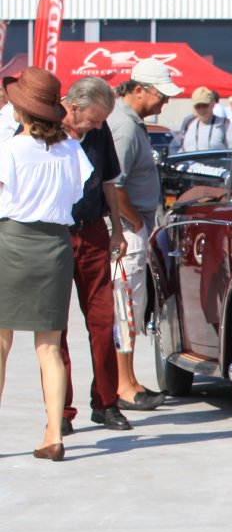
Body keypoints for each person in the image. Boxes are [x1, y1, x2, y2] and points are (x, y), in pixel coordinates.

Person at [0, 67, 93, 460]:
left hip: (12, 242)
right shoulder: (72, 150)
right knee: (50, 348)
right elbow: (76, 195)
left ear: (21, 110)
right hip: (56, 245)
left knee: (1, 343)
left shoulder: (9, 149)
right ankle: (54, 434)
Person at [59, 76, 132, 433]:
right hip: (54, 236)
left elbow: (108, 182)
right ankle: (60, 410)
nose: (100, 126)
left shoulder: (99, 133)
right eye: (94, 119)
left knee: (103, 321)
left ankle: (106, 402)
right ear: (73, 108)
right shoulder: (46, 130)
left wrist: (117, 228)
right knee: (54, 328)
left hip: (92, 233)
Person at [107, 58, 177, 411]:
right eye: (161, 95)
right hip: (127, 232)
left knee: (131, 309)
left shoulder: (129, 123)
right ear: (138, 90)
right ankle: (123, 385)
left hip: (131, 228)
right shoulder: (124, 127)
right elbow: (115, 185)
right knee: (126, 310)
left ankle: (128, 379)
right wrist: (136, 224)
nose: (166, 101)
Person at [174, 87, 232, 153]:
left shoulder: (224, 124)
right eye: (198, 106)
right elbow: (180, 150)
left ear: (213, 104)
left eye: (205, 105)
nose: (201, 109)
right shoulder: (189, 124)